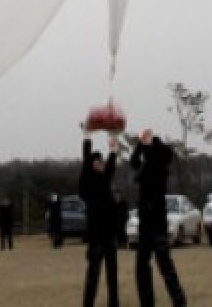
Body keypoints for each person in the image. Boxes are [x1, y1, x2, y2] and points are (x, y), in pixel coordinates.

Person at [131, 129, 185, 307]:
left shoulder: (159, 165)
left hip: (156, 223)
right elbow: (134, 162)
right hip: (146, 223)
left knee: (164, 266)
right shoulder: (149, 164)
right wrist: (141, 144)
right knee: (143, 267)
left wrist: (150, 142)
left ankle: (179, 301)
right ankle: (149, 302)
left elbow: (159, 154)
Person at [80, 128, 120, 307]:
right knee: (93, 274)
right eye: (98, 161)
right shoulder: (87, 182)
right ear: (92, 163)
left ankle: (114, 302)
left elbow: (111, 168)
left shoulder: (105, 181)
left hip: (109, 236)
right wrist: (87, 137)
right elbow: (86, 159)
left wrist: (113, 149)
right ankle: (88, 303)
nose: (101, 163)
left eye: (102, 161)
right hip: (96, 236)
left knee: (112, 273)